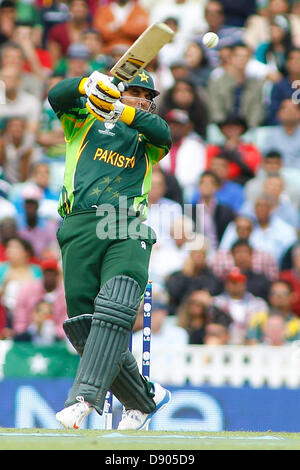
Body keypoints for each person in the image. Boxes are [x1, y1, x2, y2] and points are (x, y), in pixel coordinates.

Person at [48, 68, 172, 430]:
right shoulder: (82, 120)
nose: (145, 101)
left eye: (148, 97)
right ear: (120, 90)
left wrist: (122, 109)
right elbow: (58, 95)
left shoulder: (147, 138)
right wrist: (86, 85)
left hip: (125, 222)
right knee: (86, 328)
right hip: (78, 224)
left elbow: (163, 133)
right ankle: (143, 398)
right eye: (136, 93)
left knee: (115, 305)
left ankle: (82, 398)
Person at [207, 43, 266, 129]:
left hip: (247, 129)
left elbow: (257, 110)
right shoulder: (217, 83)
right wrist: (225, 128)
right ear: (230, 58)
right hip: (221, 128)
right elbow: (215, 108)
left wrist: (248, 127)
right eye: (238, 56)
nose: (242, 59)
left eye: (246, 56)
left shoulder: (255, 84)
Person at [166, 235, 223, 315]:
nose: (199, 257)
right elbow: (175, 294)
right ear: (190, 255)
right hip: (179, 313)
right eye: (196, 253)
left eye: (202, 254)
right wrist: (186, 275)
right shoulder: (177, 276)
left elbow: (213, 290)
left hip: (203, 315)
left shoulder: (210, 275)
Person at [159, 109, 207, 202]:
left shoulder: (196, 146)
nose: (174, 127)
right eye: (171, 124)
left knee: (192, 205)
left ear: (186, 127)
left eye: (178, 125)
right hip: (160, 189)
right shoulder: (156, 144)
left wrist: (177, 185)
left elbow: (199, 172)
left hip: (187, 190)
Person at [213, 214, 279, 281]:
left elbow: (273, 280)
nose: (243, 232)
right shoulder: (221, 256)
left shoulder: (265, 256)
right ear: (235, 230)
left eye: (247, 229)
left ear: (252, 230)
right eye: (239, 228)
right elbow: (216, 280)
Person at [13, 257, 67, 339]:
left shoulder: (64, 294)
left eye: (52, 273)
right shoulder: (27, 290)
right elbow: (20, 321)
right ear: (42, 273)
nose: (49, 276)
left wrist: (53, 332)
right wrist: (29, 330)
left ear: (58, 275)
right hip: (29, 334)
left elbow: (65, 323)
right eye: (46, 273)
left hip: (56, 337)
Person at [213, 267, 269, 344]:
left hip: (251, 342)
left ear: (244, 283)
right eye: (232, 281)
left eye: (239, 281)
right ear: (226, 284)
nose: (235, 284)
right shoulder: (217, 302)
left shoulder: (258, 303)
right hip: (225, 343)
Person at [206, 115, 263, 185]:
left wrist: (234, 152)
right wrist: (225, 150)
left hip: (242, 184)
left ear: (242, 129)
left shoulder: (250, 148)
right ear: (222, 129)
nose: (231, 130)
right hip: (217, 184)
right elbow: (209, 169)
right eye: (228, 127)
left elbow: (252, 171)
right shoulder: (213, 148)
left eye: (235, 127)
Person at [191, 170, 235, 250]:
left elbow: (230, 235)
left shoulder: (226, 211)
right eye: (203, 183)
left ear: (217, 187)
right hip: (198, 252)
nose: (206, 186)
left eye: (210, 183)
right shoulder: (191, 210)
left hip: (220, 252)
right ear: (198, 187)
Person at [246, 280, 300, 344]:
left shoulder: (297, 324)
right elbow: (250, 342)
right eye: (274, 293)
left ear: (292, 296)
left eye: (284, 293)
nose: (279, 296)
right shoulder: (258, 319)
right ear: (269, 296)